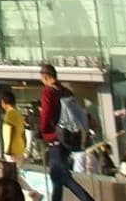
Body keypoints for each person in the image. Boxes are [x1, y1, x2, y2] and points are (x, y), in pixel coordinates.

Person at [38, 65, 92, 201]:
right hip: (68, 138)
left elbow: (45, 116)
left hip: (55, 139)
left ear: (45, 77)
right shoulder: (66, 92)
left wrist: (42, 132)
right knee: (56, 179)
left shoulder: (48, 92)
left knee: (64, 177)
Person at [0, 92, 41, 201]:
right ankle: (31, 193)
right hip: (19, 148)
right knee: (16, 175)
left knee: (12, 176)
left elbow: (10, 131)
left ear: (4, 103)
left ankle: (29, 194)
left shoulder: (9, 115)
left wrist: (8, 149)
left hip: (12, 150)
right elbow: (22, 132)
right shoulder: (18, 114)